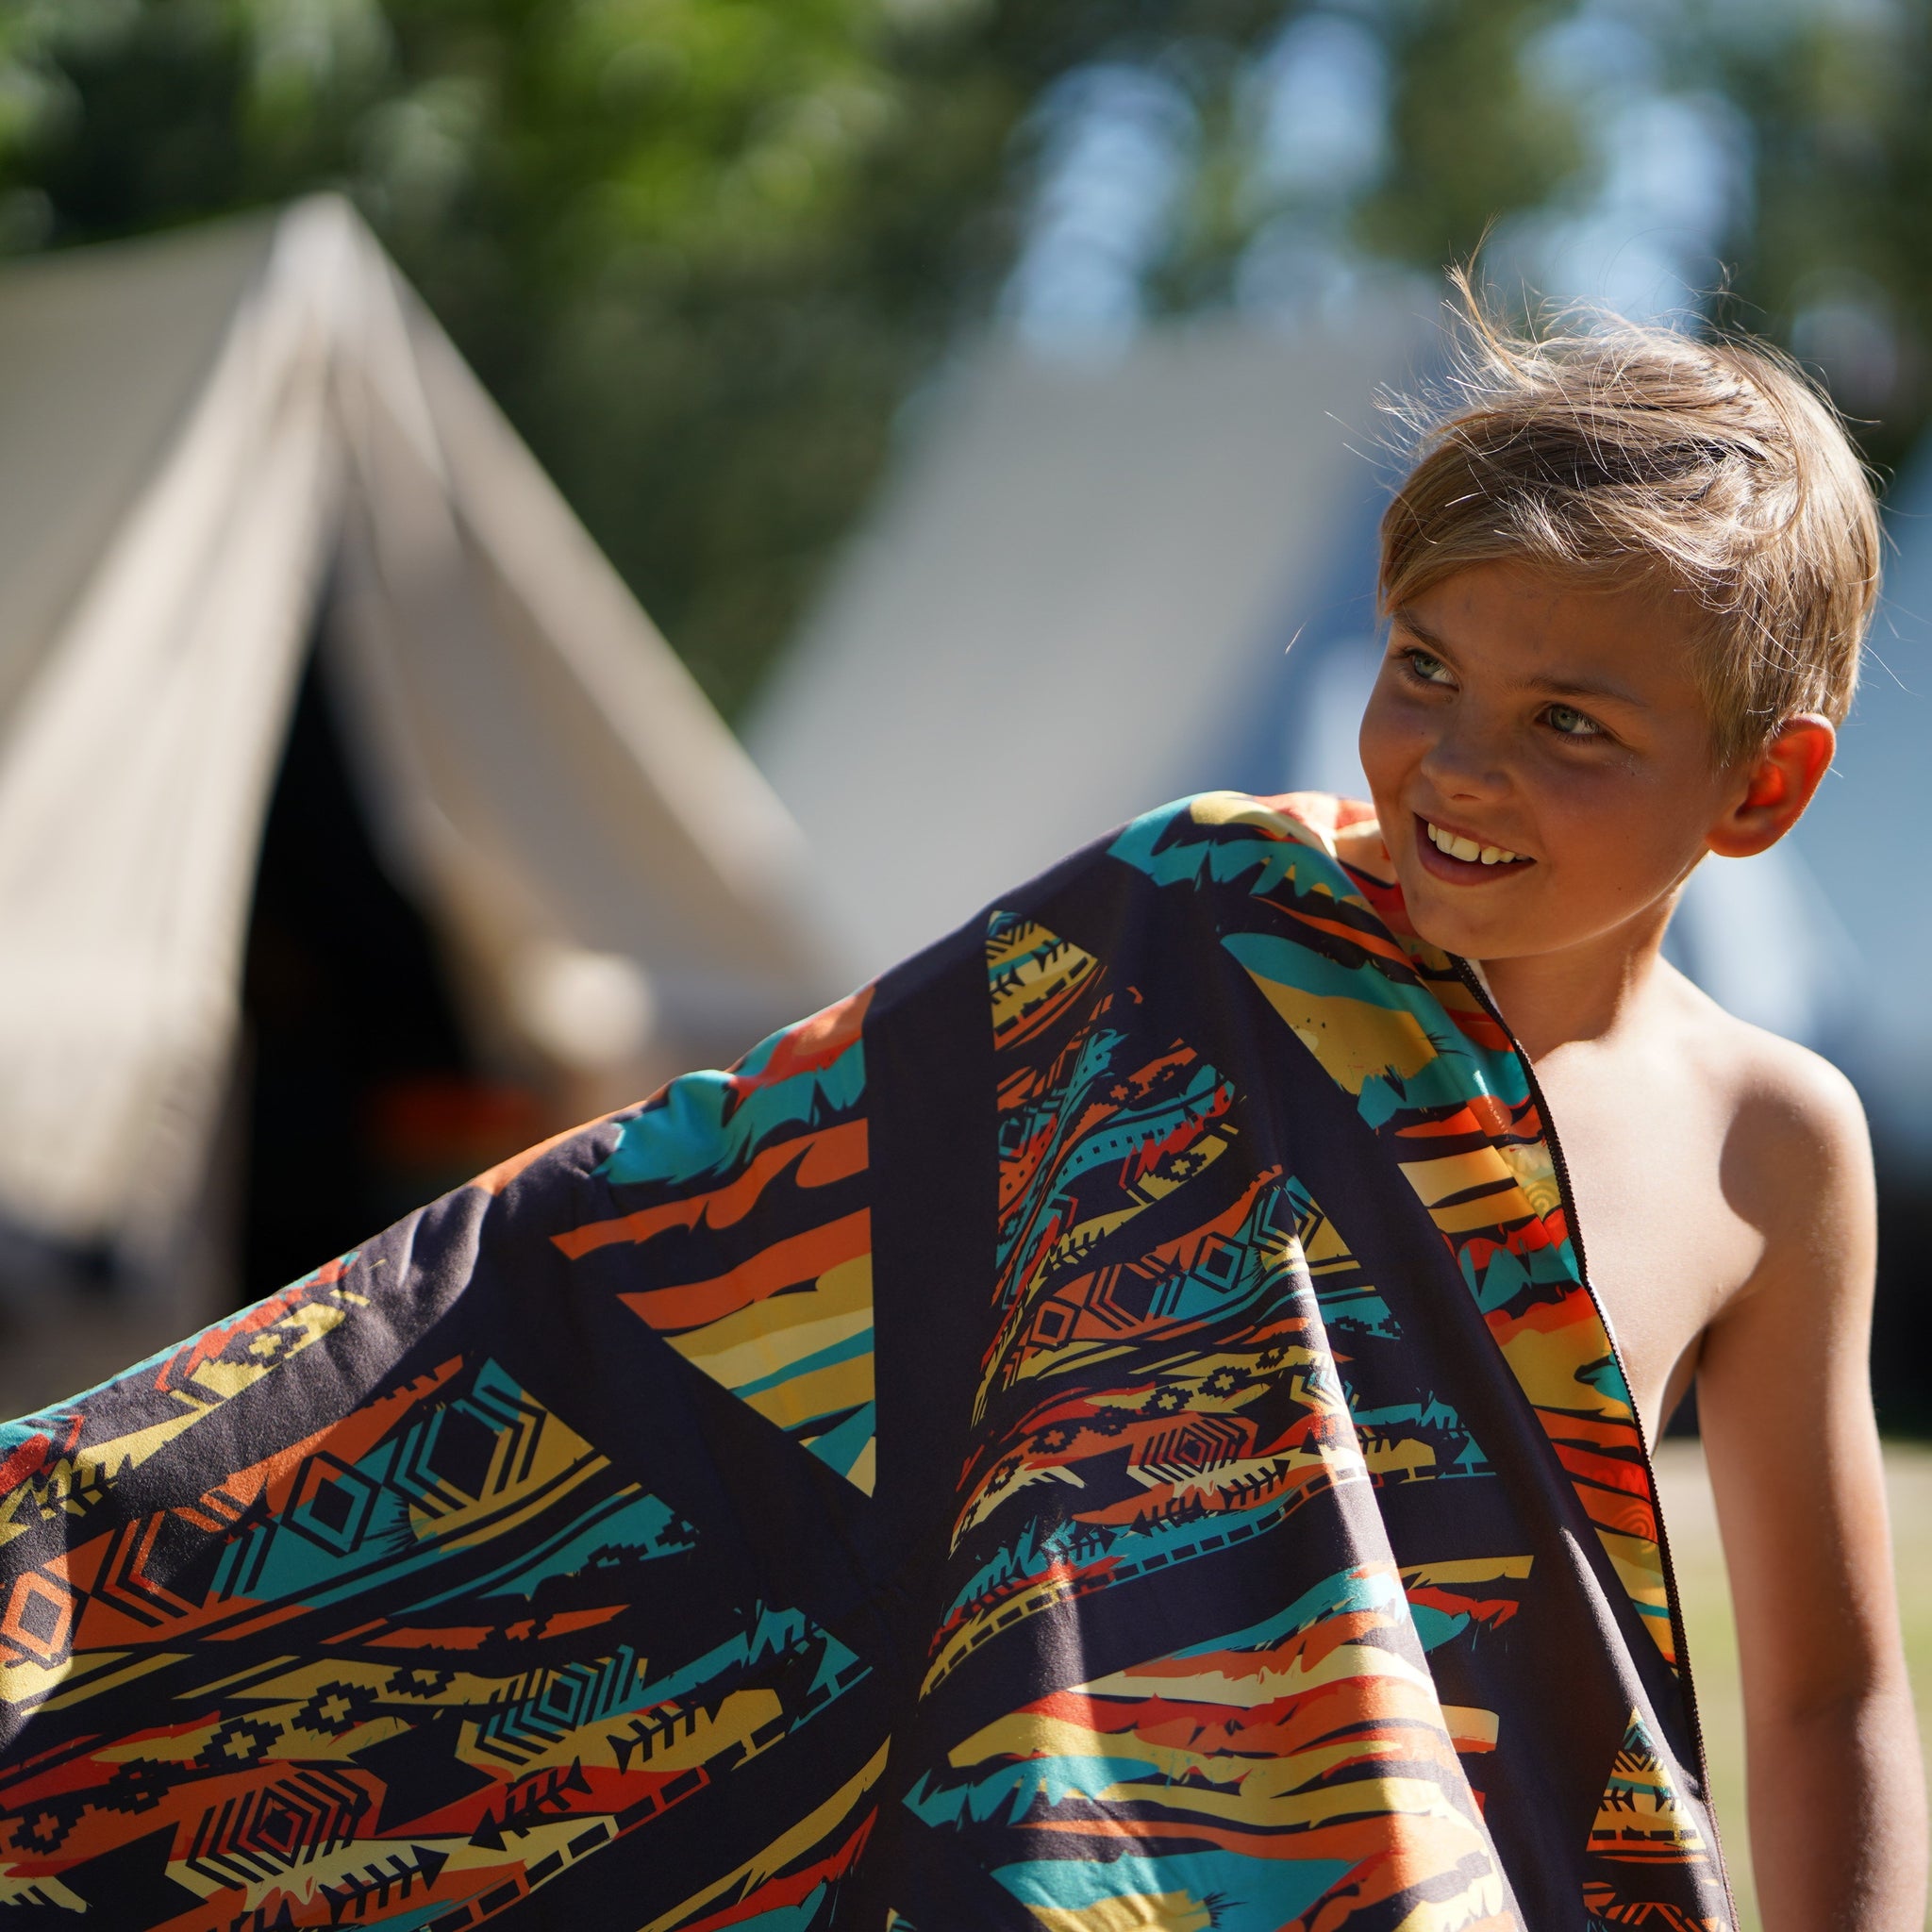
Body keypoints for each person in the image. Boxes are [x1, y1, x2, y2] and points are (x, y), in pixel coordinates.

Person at [0, 288, 1920, 1932]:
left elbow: (1828, 1688)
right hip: (1053, 1851)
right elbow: (652, 1229)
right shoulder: (1193, 926)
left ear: (1760, 788)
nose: (1454, 763)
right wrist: (128, 1509)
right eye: (1421, 668)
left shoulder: (1772, 1146)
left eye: (1569, 724)